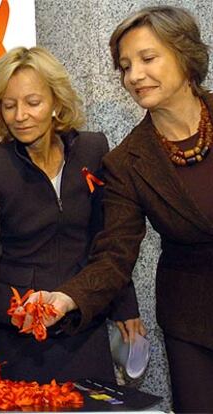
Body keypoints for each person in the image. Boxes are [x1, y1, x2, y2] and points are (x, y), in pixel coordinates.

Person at [44, 6, 211, 413]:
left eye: (148, 59)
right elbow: (114, 254)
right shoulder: (125, 162)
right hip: (194, 323)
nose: (134, 76)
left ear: (184, 55)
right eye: (124, 66)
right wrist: (67, 297)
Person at [0, 46, 144, 384]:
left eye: (32, 102)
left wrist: (124, 306)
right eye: (9, 105)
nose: (20, 116)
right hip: (19, 333)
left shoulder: (93, 148)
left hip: (82, 320)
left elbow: (108, 238)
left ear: (56, 102)